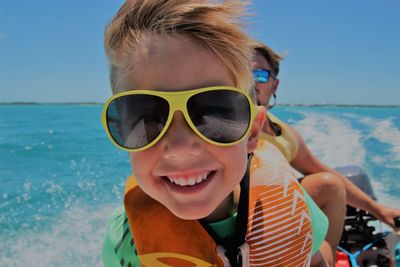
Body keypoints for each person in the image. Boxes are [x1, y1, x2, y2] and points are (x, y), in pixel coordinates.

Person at [100, 1, 329, 266]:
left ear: (253, 132)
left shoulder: (292, 207)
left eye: (214, 113)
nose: (180, 148)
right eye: (147, 118)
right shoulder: (123, 240)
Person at [252, 40, 400, 266]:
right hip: (239, 218)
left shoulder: (286, 134)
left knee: (330, 184)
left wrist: (380, 211)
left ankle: (325, 258)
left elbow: (326, 174)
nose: (252, 81)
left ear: (275, 85)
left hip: (277, 215)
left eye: (260, 75)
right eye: (243, 72)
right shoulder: (222, 125)